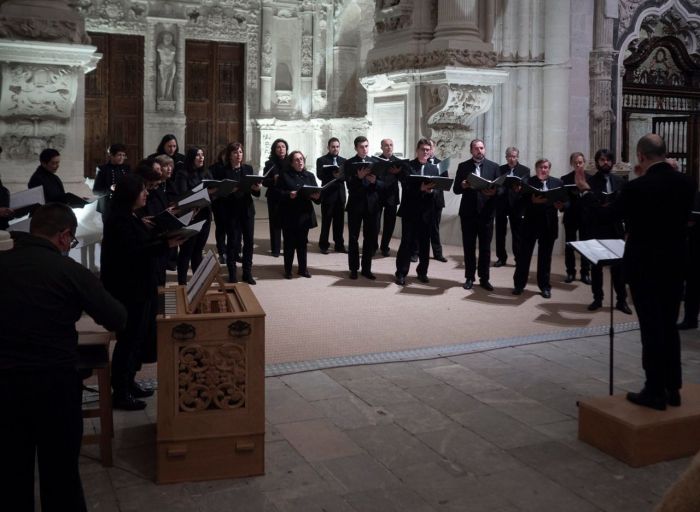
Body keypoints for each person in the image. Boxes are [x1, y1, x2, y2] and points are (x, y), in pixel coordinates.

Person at [0, 203, 127, 512]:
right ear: (64, 236)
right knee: (61, 476)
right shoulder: (70, 271)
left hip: (3, 386)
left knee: (10, 475)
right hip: (54, 385)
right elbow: (117, 318)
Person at [576, 133, 695, 410]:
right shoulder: (687, 183)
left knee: (651, 328)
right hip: (675, 264)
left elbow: (605, 215)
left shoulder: (638, 188)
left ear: (640, 156)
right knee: (668, 325)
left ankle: (654, 390)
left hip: (645, 266)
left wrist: (584, 190)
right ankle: (672, 388)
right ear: (665, 153)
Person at [101, 173, 185, 410]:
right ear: (131, 195)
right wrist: (165, 244)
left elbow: (137, 243)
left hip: (141, 286)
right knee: (128, 340)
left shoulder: (130, 216)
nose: (147, 193)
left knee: (138, 337)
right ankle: (120, 391)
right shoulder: (119, 221)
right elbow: (133, 254)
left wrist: (147, 227)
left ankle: (129, 382)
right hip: (129, 289)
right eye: (143, 190)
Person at [582, 149, 631, 314]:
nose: (606, 163)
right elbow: (590, 207)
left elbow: (626, 206)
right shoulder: (591, 181)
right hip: (597, 227)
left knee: (618, 268)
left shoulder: (620, 181)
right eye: (602, 160)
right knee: (597, 267)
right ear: (597, 162)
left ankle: (621, 300)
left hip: (615, 228)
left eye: (608, 160)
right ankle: (597, 298)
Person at [512, 159, 565, 298]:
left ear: (549, 169)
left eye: (546, 167)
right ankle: (519, 285)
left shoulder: (557, 183)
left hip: (548, 225)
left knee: (545, 258)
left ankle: (544, 287)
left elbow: (566, 201)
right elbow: (519, 203)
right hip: (530, 224)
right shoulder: (528, 182)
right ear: (536, 169)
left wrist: (562, 206)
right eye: (541, 167)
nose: (544, 170)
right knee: (524, 257)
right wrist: (531, 201)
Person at [453, 139, 500, 291]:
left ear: (484, 150)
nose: (479, 151)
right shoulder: (463, 166)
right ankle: (469, 277)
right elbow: (456, 190)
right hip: (468, 213)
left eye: (481, 148)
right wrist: (462, 185)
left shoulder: (494, 167)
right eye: (476, 148)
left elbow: (502, 189)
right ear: (471, 151)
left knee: (485, 248)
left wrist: (495, 191)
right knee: (469, 247)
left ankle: (484, 278)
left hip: (486, 212)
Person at [213, 142, 260, 284]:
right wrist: (229, 190)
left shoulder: (248, 168)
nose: (238, 155)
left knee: (249, 242)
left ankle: (247, 273)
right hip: (230, 210)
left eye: (240, 152)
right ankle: (232, 273)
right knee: (232, 243)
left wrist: (256, 188)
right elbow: (219, 193)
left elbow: (254, 193)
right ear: (229, 155)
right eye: (235, 152)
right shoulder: (222, 170)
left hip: (247, 210)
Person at [394, 139, 439, 286]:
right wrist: (420, 189)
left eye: (427, 149)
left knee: (425, 244)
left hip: (427, 211)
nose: (425, 152)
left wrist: (433, 190)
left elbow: (439, 189)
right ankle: (401, 273)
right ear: (417, 150)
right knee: (406, 243)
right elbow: (405, 187)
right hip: (410, 210)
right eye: (422, 149)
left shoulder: (434, 168)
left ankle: (422, 272)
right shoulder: (407, 166)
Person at [277, 150, 321, 278]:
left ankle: (303, 269)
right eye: (296, 159)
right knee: (289, 244)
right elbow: (277, 193)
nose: (300, 161)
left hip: (304, 214)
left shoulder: (310, 176)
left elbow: (316, 197)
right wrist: (289, 195)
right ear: (291, 163)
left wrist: (317, 196)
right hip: (289, 214)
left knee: (302, 243)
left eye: (301, 159)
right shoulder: (284, 175)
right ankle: (288, 270)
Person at [344, 136, 382, 280]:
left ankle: (366, 269)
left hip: (372, 206)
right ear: (356, 148)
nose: (364, 149)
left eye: (366, 146)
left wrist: (374, 182)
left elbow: (382, 185)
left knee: (370, 238)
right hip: (355, 205)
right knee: (353, 238)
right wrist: (359, 178)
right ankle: (353, 269)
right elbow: (349, 186)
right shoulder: (349, 163)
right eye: (361, 147)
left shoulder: (375, 162)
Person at [174, 147, 212, 285]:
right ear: (191, 158)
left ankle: (197, 283)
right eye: (197, 155)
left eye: (202, 154)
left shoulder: (206, 173)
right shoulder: (182, 174)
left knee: (198, 251)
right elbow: (183, 196)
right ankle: (182, 284)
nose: (201, 157)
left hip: (205, 215)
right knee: (186, 251)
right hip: (189, 217)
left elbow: (213, 193)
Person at [494, 146, 530, 267]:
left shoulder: (525, 170)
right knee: (500, 233)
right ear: (506, 157)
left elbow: (526, 189)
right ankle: (501, 258)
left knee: (518, 233)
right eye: (509, 156)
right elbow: (497, 185)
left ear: (517, 157)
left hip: (517, 205)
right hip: (501, 204)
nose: (512, 159)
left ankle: (518, 258)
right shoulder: (500, 169)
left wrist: (520, 188)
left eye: (514, 156)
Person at [560, 152, 591, 284]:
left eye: (580, 162)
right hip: (571, 215)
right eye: (575, 163)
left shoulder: (591, 178)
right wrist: (563, 204)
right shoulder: (565, 179)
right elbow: (563, 198)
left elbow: (594, 199)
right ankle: (570, 272)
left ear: (584, 163)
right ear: (571, 163)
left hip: (586, 216)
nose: (578, 165)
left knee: (586, 246)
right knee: (569, 246)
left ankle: (585, 273)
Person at [317, 137, 347, 254]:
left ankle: (339, 245)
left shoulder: (344, 161)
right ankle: (323, 245)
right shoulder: (321, 160)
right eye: (333, 147)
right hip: (328, 195)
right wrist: (332, 175)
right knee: (326, 222)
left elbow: (346, 177)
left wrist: (339, 176)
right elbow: (319, 175)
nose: (335, 149)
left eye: (337, 146)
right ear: (328, 147)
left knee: (339, 223)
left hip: (340, 195)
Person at [262, 138, 288, 257]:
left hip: (288, 196)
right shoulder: (269, 164)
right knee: (275, 223)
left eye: (283, 147)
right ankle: (275, 249)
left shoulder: (291, 162)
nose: (281, 149)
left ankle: (288, 248)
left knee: (288, 223)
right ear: (274, 149)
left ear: (286, 149)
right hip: (274, 196)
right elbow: (264, 181)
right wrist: (274, 179)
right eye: (278, 147)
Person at [678, 190, 700, 330]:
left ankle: (690, 319)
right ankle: (690, 319)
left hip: (695, 248)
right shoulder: (695, 195)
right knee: (692, 286)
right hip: (692, 248)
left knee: (693, 285)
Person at [376, 138, 401, 257]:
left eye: (391, 145)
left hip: (392, 195)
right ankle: (373, 245)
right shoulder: (376, 161)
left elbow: (405, 179)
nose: (389, 147)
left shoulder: (398, 161)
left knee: (390, 224)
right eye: (386, 145)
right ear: (381, 147)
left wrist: (398, 173)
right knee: (375, 223)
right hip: (377, 195)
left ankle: (385, 246)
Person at [93, 143, 130, 221]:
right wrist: (110, 188)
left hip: (124, 204)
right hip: (108, 206)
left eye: (123, 155)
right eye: (119, 155)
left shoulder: (127, 168)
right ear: (111, 155)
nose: (122, 158)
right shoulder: (102, 169)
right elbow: (96, 191)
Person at [427, 138, 449, 262]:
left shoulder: (442, 164)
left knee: (435, 228)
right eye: (426, 147)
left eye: (430, 147)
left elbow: (445, 183)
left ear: (434, 148)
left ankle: (437, 253)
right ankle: (416, 252)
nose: (428, 150)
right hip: (422, 199)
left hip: (436, 200)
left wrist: (434, 189)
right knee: (420, 228)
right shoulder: (420, 162)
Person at [157, 31, 177, 101]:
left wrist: (166, 51)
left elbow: (170, 54)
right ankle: (162, 95)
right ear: (163, 38)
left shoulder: (173, 47)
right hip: (163, 65)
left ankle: (168, 96)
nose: (168, 39)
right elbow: (161, 51)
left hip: (171, 65)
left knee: (170, 80)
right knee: (164, 80)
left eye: (169, 38)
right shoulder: (160, 46)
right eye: (166, 37)